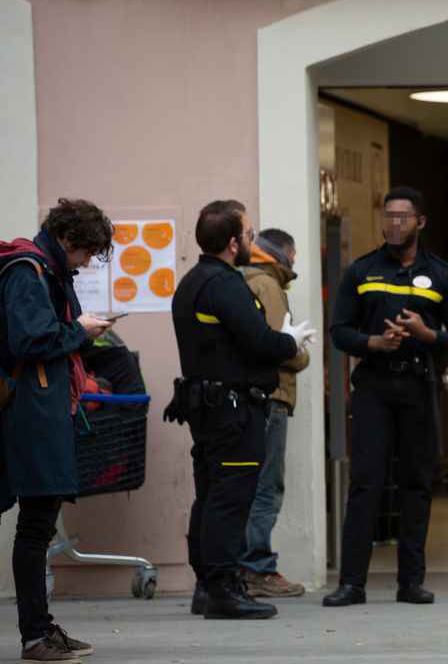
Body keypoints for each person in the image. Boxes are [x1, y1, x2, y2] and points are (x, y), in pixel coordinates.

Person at [324, 186, 448, 607]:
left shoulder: (442, 275)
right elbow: (339, 330)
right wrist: (373, 343)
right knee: (366, 483)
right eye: (388, 216)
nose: (394, 224)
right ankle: (352, 583)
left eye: (403, 217)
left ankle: (411, 582)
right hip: (372, 386)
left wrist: (431, 336)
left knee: (416, 484)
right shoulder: (361, 271)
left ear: (420, 222)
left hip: (417, 385)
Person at [169, 200, 315, 620]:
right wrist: (290, 341)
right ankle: (222, 590)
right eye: (249, 234)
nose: (252, 240)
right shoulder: (226, 284)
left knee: (212, 496)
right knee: (229, 500)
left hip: (209, 407)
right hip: (232, 410)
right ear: (233, 243)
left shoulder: (192, 281)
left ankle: (207, 586)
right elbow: (259, 343)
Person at [0, 198, 115, 663]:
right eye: (87, 252)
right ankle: (34, 636)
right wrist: (80, 331)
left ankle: (40, 629)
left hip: (40, 408)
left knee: (38, 524)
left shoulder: (47, 270)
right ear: (68, 239)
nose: (88, 263)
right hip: (31, 411)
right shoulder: (30, 271)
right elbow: (29, 339)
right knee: (34, 527)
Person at [237, 229, 309, 597]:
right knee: (266, 487)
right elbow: (280, 345)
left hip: (250, 396)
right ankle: (258, 568)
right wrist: (304, 353)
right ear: (280, 254)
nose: (294, 262)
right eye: (293, 255)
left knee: (248, 484)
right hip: (272, 395)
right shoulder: (267, 285)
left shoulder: (242, 280)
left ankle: (244, 568)